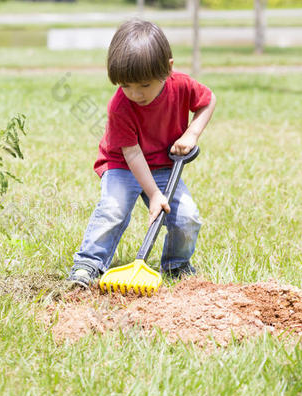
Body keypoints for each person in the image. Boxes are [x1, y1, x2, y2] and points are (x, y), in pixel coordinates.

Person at [68, 19, 216, 287]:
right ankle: (88, 263)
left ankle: (177, 265)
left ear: (168, 69)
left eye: (144, 85)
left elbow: (208, 101)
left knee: (187, 218)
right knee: (113, 210)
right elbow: (132, 154)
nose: (135, 93)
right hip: (122, 165)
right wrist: (155, 194)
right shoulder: (120, 106)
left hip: (163, 167)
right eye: (126, 85)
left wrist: (192, 133)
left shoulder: (182, 86)